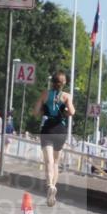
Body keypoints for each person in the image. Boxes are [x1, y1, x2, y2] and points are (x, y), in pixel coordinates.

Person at [33, 71, 75, 206]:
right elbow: (72, 112)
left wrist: (43, 111)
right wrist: (64, 113)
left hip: (47, 129)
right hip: (60, 130)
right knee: (56, 162)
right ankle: (53, 188)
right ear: (64, 83)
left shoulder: (45, 94)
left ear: (52, 82)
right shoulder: (67, 96)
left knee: (48, 161)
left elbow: (35, 112)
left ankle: (50, 185)